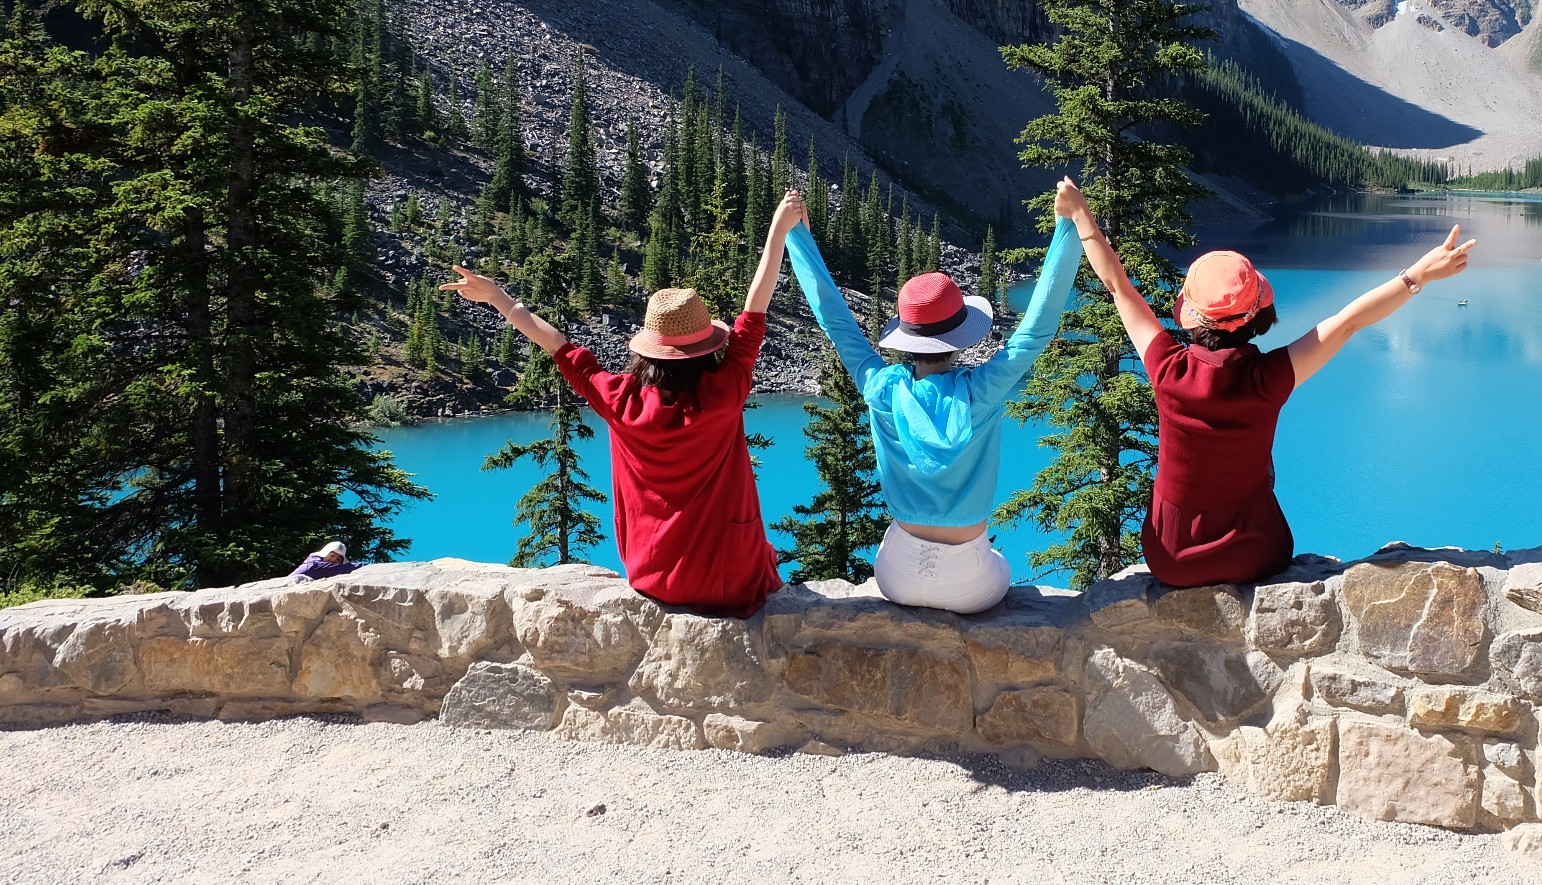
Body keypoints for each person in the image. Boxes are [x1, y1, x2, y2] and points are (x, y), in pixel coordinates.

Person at [1067, 192, 1477, 588]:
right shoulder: (1270, 377)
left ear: (1192, 316)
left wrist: (1082, 215)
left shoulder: (1167, 368)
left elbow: (1118, 284)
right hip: (1254, 554)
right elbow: (1350, 320)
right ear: (1260, 313)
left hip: (1170, 558)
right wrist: (1417, 275)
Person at [440, 191, 806, 617]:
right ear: (707, 349)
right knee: (766, 552)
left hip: (653, 577)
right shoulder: (726, 390)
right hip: (730, 582)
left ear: (648, 351)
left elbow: (557, 344)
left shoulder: (619, 399)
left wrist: (498, 298)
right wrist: (777, 233)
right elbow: (754, 312)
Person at [780, 181, 1087, 613]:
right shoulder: (983, 390)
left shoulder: (882, 388)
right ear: (961, 338)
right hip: (970, 586)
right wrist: (1067, 227)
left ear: (905, 337)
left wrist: (798, 236)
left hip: (896, 578)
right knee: (998, 564)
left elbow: (836, 320)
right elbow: (1035, 330)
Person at [286, 541, 361, 582]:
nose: (333, 560)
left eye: (338, 559)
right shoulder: (313, 565)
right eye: (332, 555)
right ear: (324, 553)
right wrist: (367, 566)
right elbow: (345, 568)